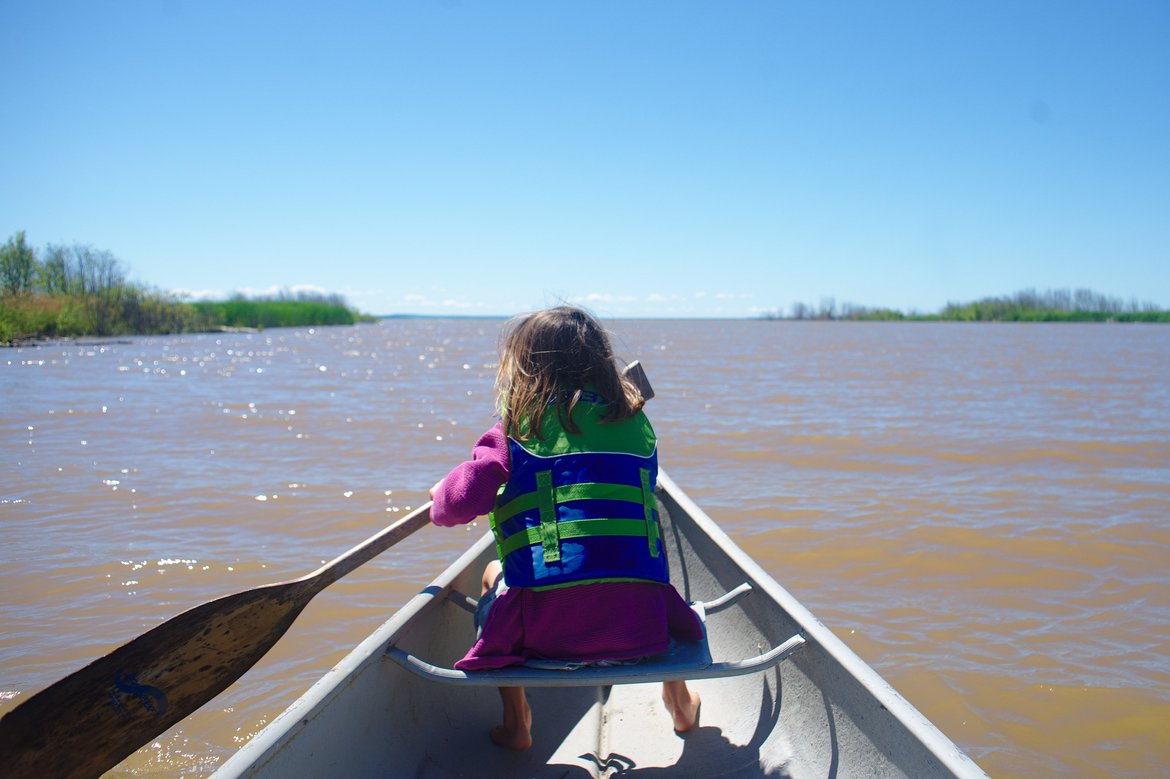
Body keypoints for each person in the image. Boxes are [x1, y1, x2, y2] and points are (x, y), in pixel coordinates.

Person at [429, 306, 703, 750]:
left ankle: (517, 721)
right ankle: (680, 700)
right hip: (644, 625)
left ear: (524, 371)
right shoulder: (637, 428)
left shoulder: (511, 430)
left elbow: (454, 508)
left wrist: (440, 492)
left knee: (492, 572)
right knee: (644, 571)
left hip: (544, 631)